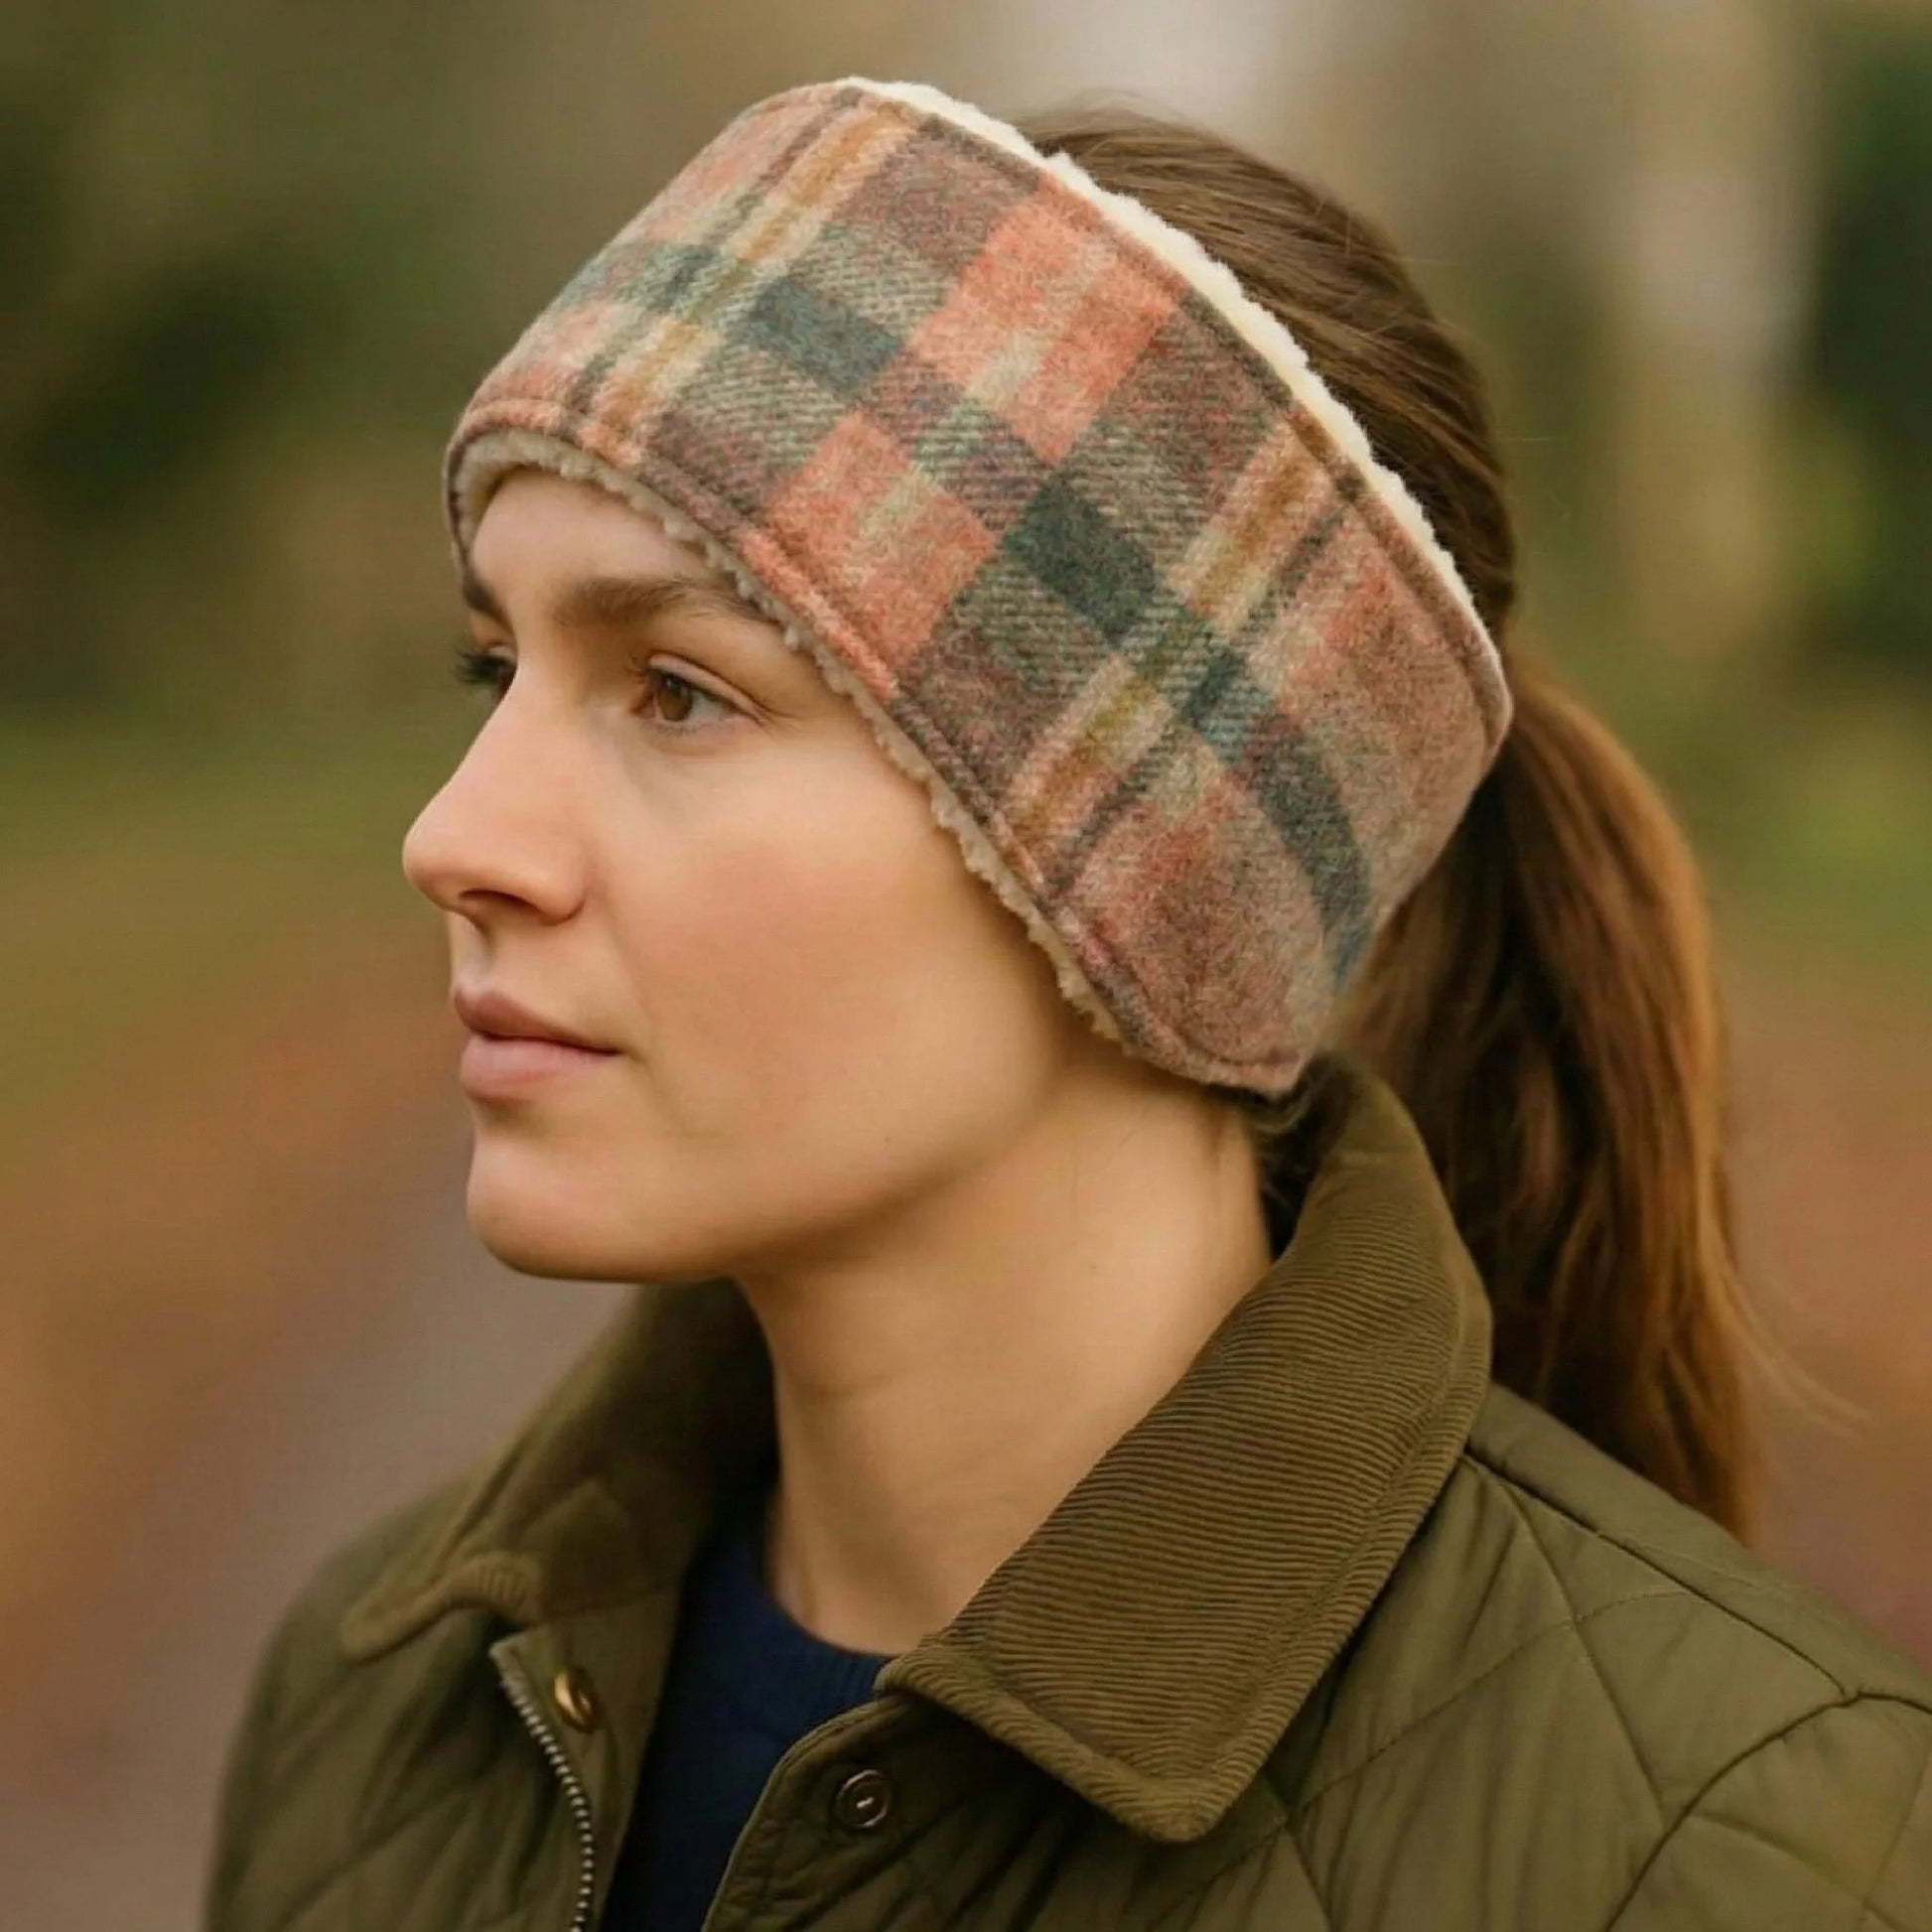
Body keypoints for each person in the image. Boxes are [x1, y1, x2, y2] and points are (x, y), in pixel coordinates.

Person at [202, 75, 1932, 1932]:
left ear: (1158, 856)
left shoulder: (1734, 1852)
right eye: (496, 666)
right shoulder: (386, 1699)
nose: (458, 835)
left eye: (679, 691)